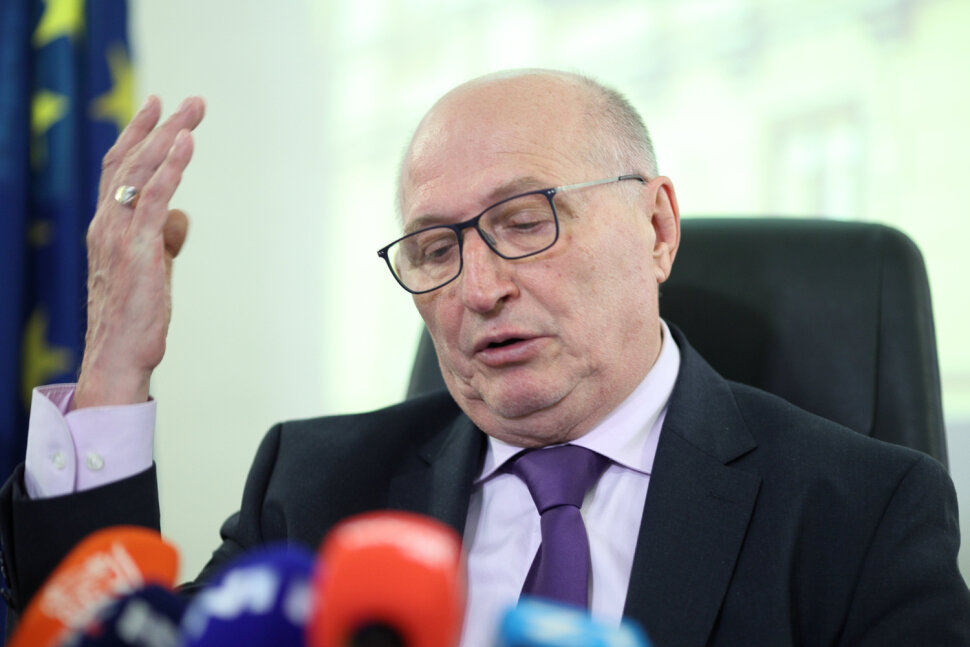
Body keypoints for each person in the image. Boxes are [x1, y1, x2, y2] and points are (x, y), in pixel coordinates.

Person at [2, 69, 969, 646]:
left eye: (524, 219)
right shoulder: (317, 486)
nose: (478, 287)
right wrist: (115, 367)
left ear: (657, 227)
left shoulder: (860, 511)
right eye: (434, 248)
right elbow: (96, 633)